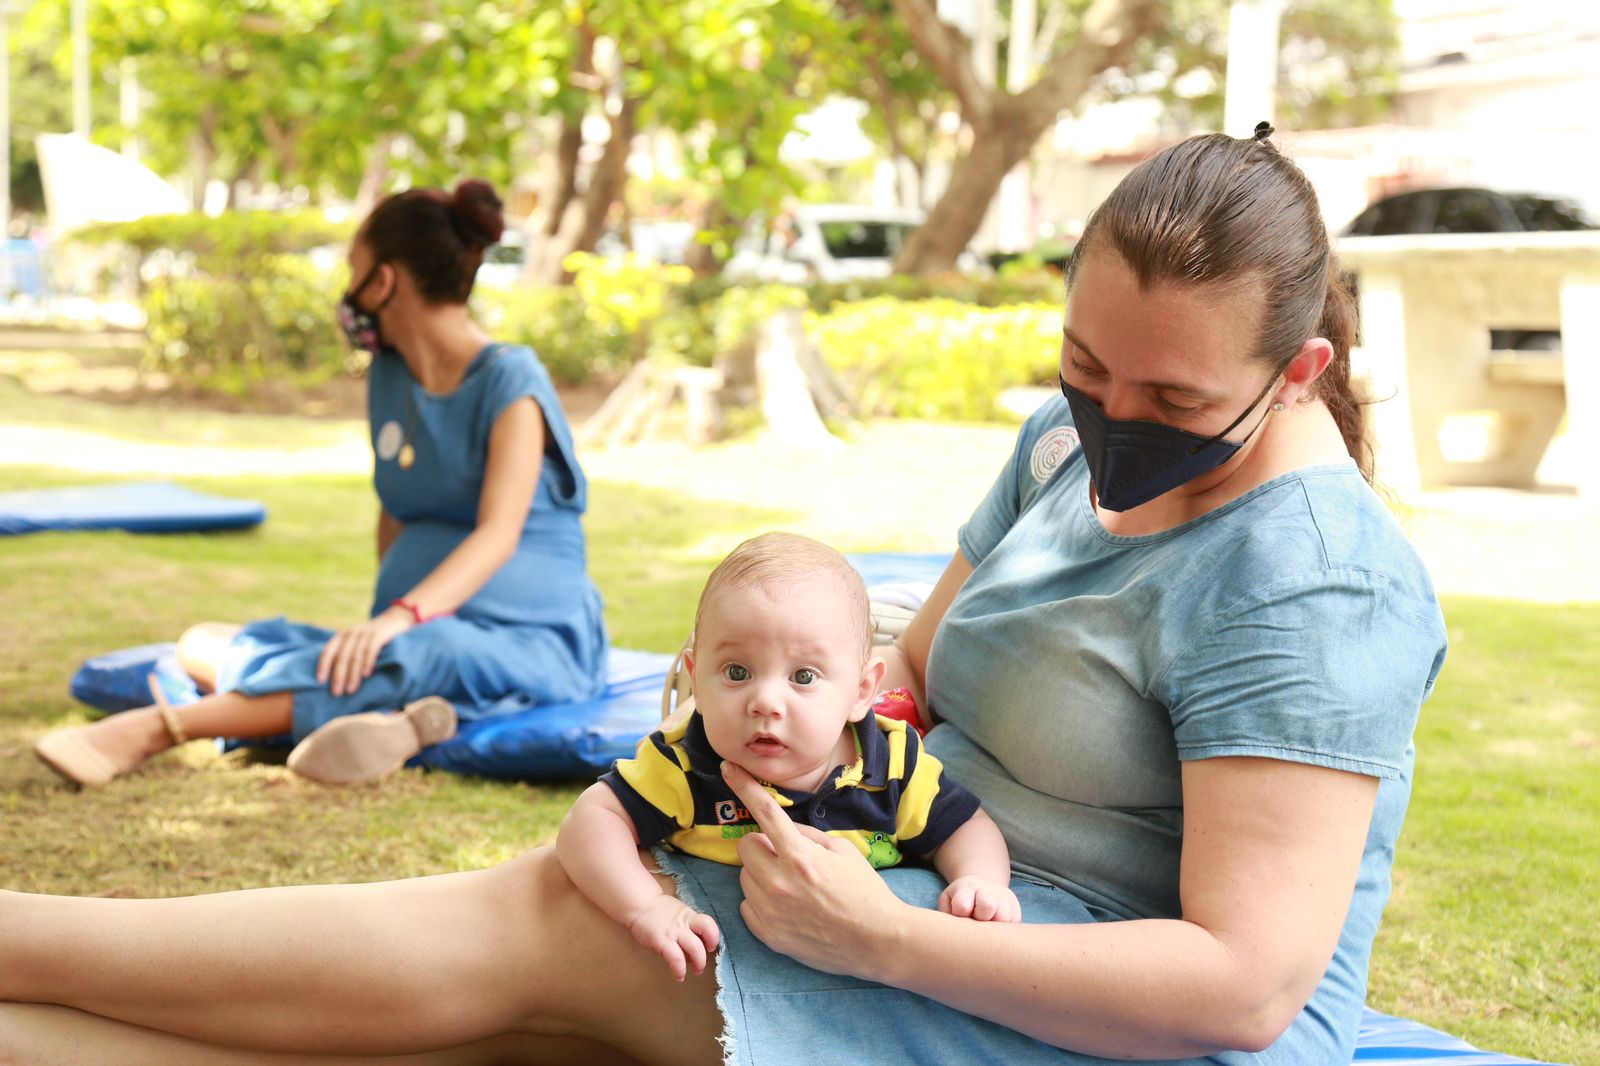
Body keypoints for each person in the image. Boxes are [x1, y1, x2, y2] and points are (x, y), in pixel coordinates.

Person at [0, 126, 1448, 1065]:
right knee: (555, 969)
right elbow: (916, 672)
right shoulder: (1060, 447)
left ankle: (25, 939)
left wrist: (884, 934)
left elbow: (1247, 986)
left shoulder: (1309, 582)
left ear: (1297, 372)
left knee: (554, 938)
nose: (1108, 417)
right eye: (1084, 365)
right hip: (915, 877)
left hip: (1118, 1007)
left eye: (1169, 393)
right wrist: (800, 738)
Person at [31, 179, 608, 788]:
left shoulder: (510, 380)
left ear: (383, 281)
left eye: (355, 270)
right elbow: (397, 510)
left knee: (420, 654)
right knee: (200, 643)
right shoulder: (390, 376)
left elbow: (498, 535)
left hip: (531, 640)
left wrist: (398, 624)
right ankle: (401, 713)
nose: (348, 289)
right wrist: (381, 625)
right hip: (416, 628)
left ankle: (153, 730)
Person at [558, 532, 1019, 981]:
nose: (765, 701)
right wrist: (645, 905)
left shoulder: (893, 764)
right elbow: (594, 819)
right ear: (696, 681)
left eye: (803, 676)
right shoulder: (684, 763)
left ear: (861, 692)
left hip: (853, 975)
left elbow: (963, 825)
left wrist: (980, 881)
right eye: (737, 672)